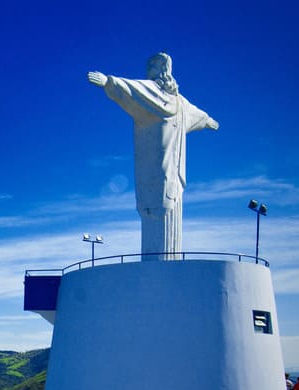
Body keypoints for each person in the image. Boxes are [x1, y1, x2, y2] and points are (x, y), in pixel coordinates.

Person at [88, 53, 219, 259]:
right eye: (149, 64)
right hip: (152, 165)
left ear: (165, 68)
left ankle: (167, 264)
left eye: (155, 64)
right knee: (156, 203)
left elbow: (195, 114)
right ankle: (158, 263)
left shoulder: (179, 102)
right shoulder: (151, 92)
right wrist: (108, 82)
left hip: (173, 168)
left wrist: (207, 120)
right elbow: (132, 90)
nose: (150, 67)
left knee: (171, 201)